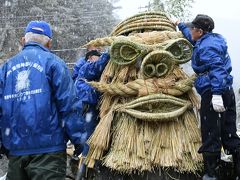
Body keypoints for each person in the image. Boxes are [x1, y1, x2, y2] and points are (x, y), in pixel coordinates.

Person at [0, 21, 83, 180]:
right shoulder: (55, 64)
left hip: (16, 152)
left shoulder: (5, 69)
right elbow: (69, 106)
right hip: (48, 153)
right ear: (49, 43)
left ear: (23, 40)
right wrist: (79, 141)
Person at [175, 14, 240, 179]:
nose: (190, 31)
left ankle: (212, 175)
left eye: (192, 28)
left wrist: (216, 94)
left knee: (211, 133)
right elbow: (191, 38)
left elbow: (217, 68)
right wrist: (179, 24)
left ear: (200, 31)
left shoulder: (207, 47)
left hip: (214, 91)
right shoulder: (208, 40)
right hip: (226, 90)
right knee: (229, 132)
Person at [72, 49, 110, 179]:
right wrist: (108, 53)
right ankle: (82, 175)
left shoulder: (92, 73)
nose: (98, 59)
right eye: (96, 57)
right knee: (87, 144)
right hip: (86, 111)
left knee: (92, 143)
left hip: (93, 113)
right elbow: (98, 66)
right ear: (90, 58)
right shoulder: (85, 69)